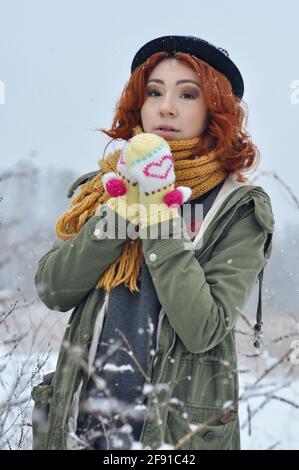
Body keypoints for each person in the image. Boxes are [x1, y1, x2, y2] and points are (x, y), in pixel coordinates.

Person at [32, 35, 275, 450]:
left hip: (174, 437)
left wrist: (161, 218)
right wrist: (122, 211)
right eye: (155, 92)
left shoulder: (237, 207)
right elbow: (53, 289)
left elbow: (204, 329)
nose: (166, 106)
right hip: (83, 428)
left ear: (215, 109)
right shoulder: (103, 188)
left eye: (187, 94)